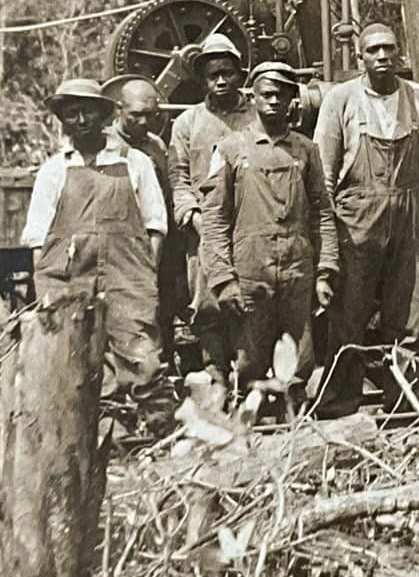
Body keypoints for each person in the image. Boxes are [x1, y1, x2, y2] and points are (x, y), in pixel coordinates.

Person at [312, 22, 419, 416]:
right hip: (355, 219)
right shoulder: (341, 99)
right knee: (348, 315)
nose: (383, 56)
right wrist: (328, 236)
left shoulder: (418, 98)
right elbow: (323, 171)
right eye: (373, 50)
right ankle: (340, 404)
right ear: (360, 57)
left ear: (400, 51)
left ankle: (404, 403)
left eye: (389, 48)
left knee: (408, 317)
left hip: (405, 218)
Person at [198, 60, 339, 397]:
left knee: (301, 361)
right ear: (253, 97)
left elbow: (322, 212)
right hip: (251, 272)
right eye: (267, 94)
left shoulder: (306, 150)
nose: (274, 101)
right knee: (250, 362)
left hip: (297, 271)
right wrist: (222, 279)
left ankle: (297, 434)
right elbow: (215, 219)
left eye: (282, 95)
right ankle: (253, 431)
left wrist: (325, 271)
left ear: (293, 100)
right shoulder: (230, 149)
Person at [22, 78, 169, 397]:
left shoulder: (134, 162)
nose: (82, 120)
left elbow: (155, 226)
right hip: (69, 282)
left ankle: (148, 438)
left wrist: (144, 276)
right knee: (73, 364)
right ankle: (97, 437)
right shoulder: (53, 171)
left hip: (127, 279)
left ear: (104, 115)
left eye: (88, 112)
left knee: (141, 361)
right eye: (73, 113)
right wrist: (50, 290)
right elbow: (38, 241)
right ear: (63, 120)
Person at [167, 32, 256, 379]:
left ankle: (250, 379)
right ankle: (215, 370)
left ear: (239, 75)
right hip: (203, 230)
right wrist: (194, 218)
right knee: (207, 304)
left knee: (249, 301)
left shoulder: (255, 117)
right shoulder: (187, 123)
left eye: (227, 73)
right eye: (212, 74)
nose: (220, 80)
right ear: (202, 79)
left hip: (249, 226)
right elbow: (179, 179)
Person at [108, 76, 183, 368]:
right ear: (119, 110)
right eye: (134, 115)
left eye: (149, 115)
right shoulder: (108, 147)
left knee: (162, 311)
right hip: (122, 248)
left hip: (158, 243)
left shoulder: (156, 145)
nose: (142, 121)